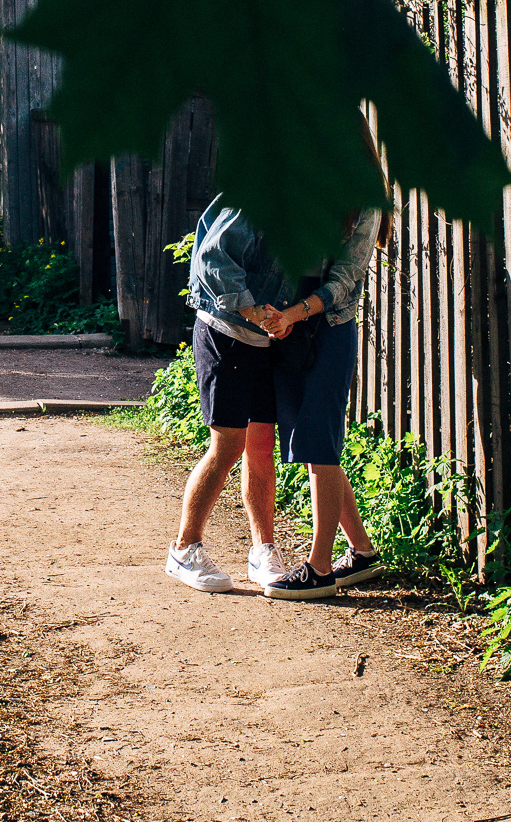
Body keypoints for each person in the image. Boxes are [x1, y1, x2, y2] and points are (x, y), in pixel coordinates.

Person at [254, 197, 387, 601]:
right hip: (288, 327)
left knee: (321, 444)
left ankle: (320, 569)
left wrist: (294, 313)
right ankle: (362, 552)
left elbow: (348, 275)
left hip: (327, 326)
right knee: (312, 445)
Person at [162, 199, 290, 593]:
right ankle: (184, 550)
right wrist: (254, 312)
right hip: (227, 333)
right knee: (227, 445)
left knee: (261, 445)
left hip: (266, 341)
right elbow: (213, 258)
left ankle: (263, 551)